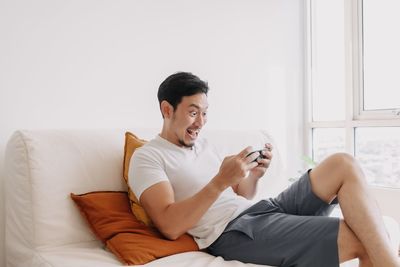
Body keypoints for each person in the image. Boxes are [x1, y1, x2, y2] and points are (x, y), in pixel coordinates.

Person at [129, 72, 399, 267]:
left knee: (342, 163)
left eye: (205, 112)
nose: (201, 122)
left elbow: (243, 195)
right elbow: (169, 225)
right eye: (193, 112)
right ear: (167, 109)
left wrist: (254, 175)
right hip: (231, 232)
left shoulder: (205, 145)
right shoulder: (148, 158)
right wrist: (219, 182)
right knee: (365, 238)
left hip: (261, 210)